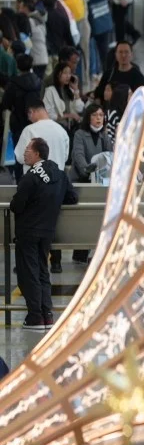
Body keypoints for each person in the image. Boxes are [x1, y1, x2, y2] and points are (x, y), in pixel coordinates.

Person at [11, 137, 67, 331]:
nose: (25, 153)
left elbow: (16, 205)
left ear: (37, 154)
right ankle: (47, 314)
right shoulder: (60, 174)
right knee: (43, 271)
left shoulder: (30, 177)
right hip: (47, 231)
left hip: (28, 231)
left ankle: (35, 316)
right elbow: (72, 196)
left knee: (29, 273)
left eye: (28, 149)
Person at [16, 98, 70, 175]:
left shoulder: (29, 130)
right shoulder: (62, 130)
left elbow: (21, 157)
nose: (28, 118)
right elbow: (65, 158)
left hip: (35, 181)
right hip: (57, 182)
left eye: (28, 115)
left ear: (31, 112)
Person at [69, 103, 109, 183]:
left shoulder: (104, 135)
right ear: (88, 118)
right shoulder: (79, 134)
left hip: (99, 180)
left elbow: (109, 156)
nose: (98, 118)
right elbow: (79, 155)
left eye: (101, 115)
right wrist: (88, 171)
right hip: (80, 180)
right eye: (94, 115)